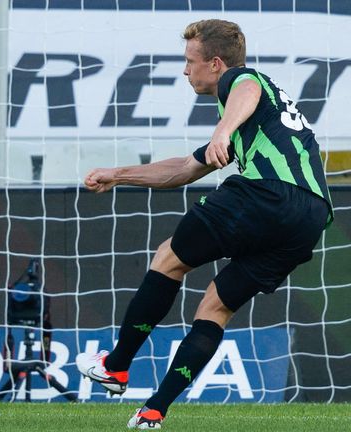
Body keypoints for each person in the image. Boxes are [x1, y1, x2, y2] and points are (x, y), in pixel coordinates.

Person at [75, 19, 332, 429]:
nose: (184, 71)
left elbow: (244, 87)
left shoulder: (242, 82)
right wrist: (117, 174)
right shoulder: (265, 119)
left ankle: (117, 366)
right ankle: (153, 411)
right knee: (215, 305)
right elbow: (183, 169)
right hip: (311, 217)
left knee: (168, 258)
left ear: (214, 63)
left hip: (267, 194)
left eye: (189, 61)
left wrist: (223, 130)